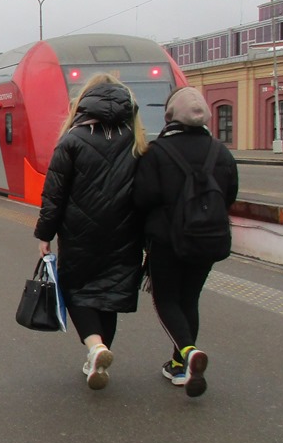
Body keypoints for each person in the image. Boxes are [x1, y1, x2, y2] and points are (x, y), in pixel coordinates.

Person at [34, 73, 147, 390]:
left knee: (76, 291)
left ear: (84, 103)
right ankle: (98, 355)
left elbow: (53, 195)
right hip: (127, 234)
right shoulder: (137, 141)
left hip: (80, 233)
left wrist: (45, 234)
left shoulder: (71, 140)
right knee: (108, 295)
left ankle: (95, 347)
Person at [134, 86, 239, 398]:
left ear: (169, 117)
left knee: (166, 299)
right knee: (189, 298)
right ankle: (180, 365)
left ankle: (189, 352)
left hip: (167, 241)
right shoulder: (220, 152)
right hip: (208, 239)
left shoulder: (157, 152)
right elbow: (229, 194)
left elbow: (142, 199)